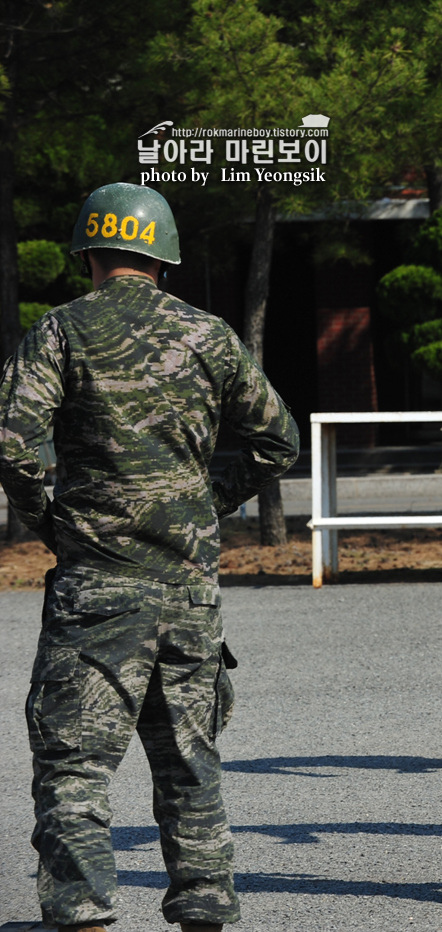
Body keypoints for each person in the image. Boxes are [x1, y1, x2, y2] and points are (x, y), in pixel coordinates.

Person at [0, 183, 300, 932]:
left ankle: (84, 914)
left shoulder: (62, 331)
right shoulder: (210, 335)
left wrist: (59, 524)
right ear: (161, 256)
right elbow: (278, 442)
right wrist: (201, 504)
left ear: (91, 253)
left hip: (98, 588)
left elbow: (11, 442)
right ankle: (203, 908)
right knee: (190, 762)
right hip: (189, 592)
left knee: (75, 765)